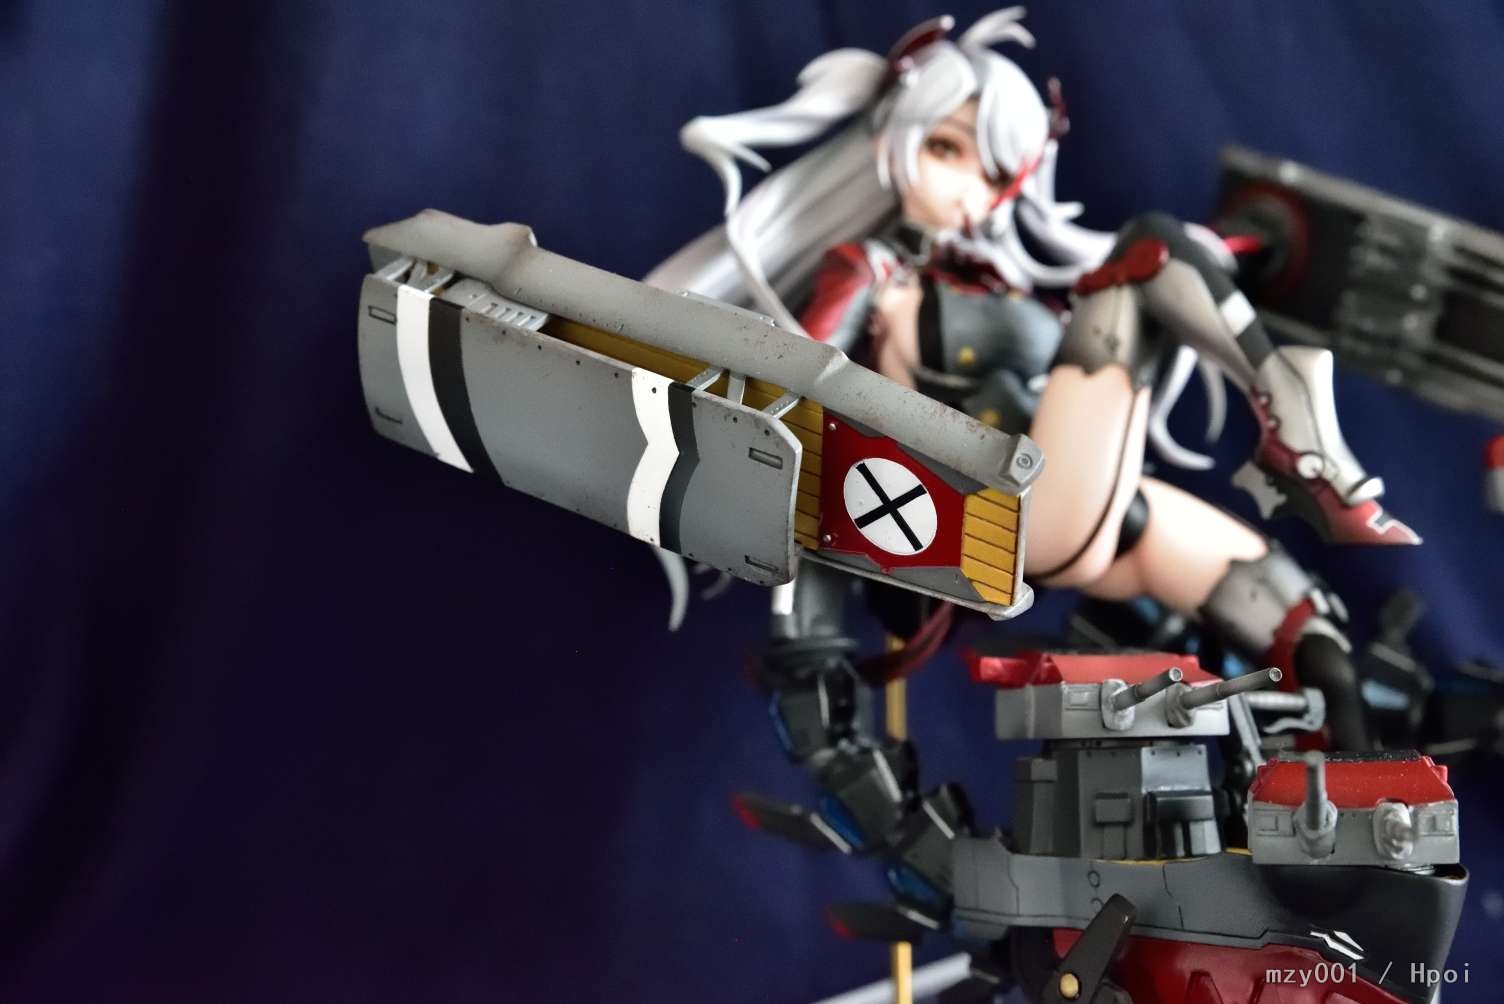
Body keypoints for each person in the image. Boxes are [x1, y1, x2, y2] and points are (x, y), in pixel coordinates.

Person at [646, 6, 1410, 916]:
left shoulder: (996, 276)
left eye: (996, 168)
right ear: (893, 140)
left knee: (1304, 629)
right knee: (1149, 256)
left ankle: (1350, 857)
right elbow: (794, 403)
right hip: (1001, 518)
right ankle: (1293, 413)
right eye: (947, 150)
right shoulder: (874, 278)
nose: (971, 189)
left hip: (1096, 511)